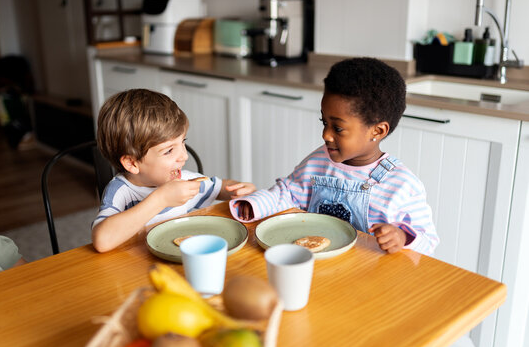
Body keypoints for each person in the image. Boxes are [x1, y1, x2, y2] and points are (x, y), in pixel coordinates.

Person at [230, 58, 439, 255]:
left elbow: (429, 242)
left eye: (338, 128)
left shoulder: (403, 185)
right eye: (324, 123)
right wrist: (254, 205)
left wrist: (403, 237)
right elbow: (288, 193)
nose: (326, 135)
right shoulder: (318, 162)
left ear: (377, 131)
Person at [92, 89, 256, 252]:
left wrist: (239, 189)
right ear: (132, 163)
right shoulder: (121, 191)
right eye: (169, 151)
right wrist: (161, 199)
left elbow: (220, 188)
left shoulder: (183, 180)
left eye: (183, 142)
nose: (184, 156)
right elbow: (102, 240)